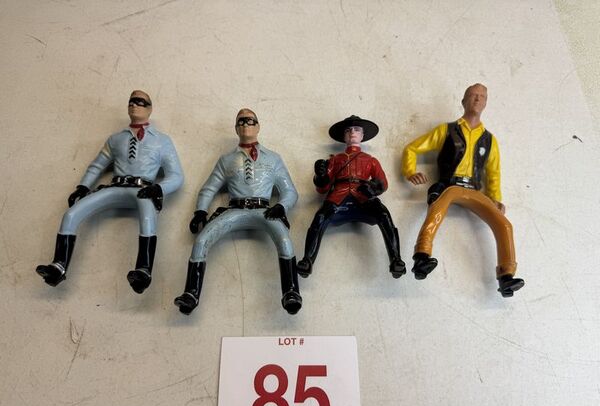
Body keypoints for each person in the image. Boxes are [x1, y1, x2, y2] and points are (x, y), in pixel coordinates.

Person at [36, 90, 184, 294]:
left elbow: (176, 175)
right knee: (71, 214)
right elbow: (98, 165)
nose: (134, 105)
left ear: (150, 108)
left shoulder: (162, 140)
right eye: (131, 101)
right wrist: (83, 187)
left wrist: (158, 188)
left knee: (148, 218)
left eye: (140, 102)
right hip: (115, 186)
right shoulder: (115, 139)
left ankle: (144, 270)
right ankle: (59, 265)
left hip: (143, 190)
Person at [174, 108, 302, 315]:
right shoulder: (226, 160)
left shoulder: (273, 159)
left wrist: (281, 206)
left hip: (265, 210)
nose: (245, 125)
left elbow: (290, 191)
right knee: (202, 240)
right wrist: (200, 211)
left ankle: (291, 291)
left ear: (258, 126)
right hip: (235, 209)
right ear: (235, 128)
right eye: (241, 122)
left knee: (284, 239)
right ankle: (191, 293)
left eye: (250, 121)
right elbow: (209, 188)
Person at [401, 83, 524, 297]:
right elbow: (412, 148)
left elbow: (493, 172)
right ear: (464, 100)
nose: (477, 99)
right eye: (473, 95)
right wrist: (410, 171)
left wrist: (495, 198)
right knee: (438, 208)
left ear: (486, 103)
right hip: (450, 185)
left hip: (474, 191)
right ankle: (422, 256)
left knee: (504, 224)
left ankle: (506, 276)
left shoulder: (489, 140)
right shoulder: (446, 130)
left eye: (482, 96)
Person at [297, 115, 406, 279]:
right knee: (320, 216)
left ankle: (396, 259)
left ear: (362, 135)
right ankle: (307, 260)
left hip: (363, 196)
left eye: (356, 130)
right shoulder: (335, 160)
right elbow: (322, 189)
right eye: (348, 130)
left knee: (384, 214)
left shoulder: (370, 160)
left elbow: (383, 183)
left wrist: (372, 188)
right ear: (344, 136)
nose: (352, 132)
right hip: (338, 195)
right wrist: (320, 175)